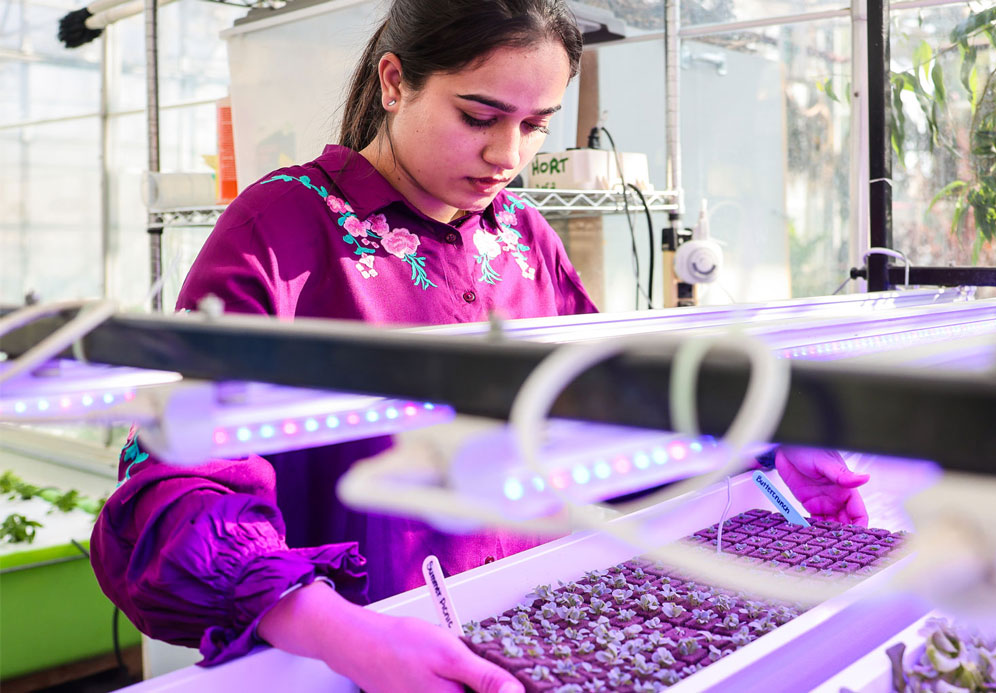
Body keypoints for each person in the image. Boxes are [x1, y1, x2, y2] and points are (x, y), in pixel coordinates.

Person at [90, 2, 868, 692]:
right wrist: (345, 633)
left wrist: (762, 450)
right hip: (356, 657)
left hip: (524, 637)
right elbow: (176, 490)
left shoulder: (523, 237)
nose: (509, 156)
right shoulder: (286, 227)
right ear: (395, 82)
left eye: (534, 126)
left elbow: (603, 426)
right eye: (479, 115)